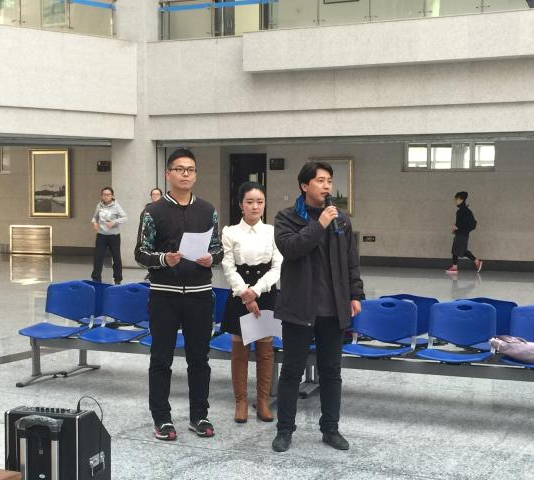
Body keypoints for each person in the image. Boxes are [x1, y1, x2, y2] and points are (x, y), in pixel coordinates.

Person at [271, 161, 365, 453]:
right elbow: (291, 249)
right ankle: (285, 430)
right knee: (291, 371)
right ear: (304, 185)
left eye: (329, 181)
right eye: (320, 180)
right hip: (299, 307)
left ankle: (330, 429)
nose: (326, 186)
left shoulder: (341, 220)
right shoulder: (286, 217)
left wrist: (355, 294)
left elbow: (351, 261)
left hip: (333, 308)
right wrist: (319, 224)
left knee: (331, 372)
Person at [134, 148, 223, 441]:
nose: (186, 174)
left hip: (199, 294)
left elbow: (218, 248)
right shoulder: (153, 211)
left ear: (195, 175)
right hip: (164, 295)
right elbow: (140, 252)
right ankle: (162, 418)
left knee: (199, 359)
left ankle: (199, 415)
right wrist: (164, 259)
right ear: (168, 174)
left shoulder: (207, 210)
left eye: (190, 169)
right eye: (180, 169)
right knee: (161, 358)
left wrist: (212, 258)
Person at [221, 182, 282, 424]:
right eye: (250, 202)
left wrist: (255, 292)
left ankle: (263, 401)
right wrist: (245, 294)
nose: (255, 206)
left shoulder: (272, 231)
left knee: (265, 351)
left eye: (260, 202)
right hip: (239, 293)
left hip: (265, 292)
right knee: (240, 351)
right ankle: (241, 401)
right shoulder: (230, 232)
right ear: (241, 205)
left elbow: (277, 267)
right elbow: (228, 266)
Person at [91, 187, 127, 284]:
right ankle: (96, 278)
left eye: (108, 195)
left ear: (112, 196)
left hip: (114, 236)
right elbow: (95, 217)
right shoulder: (99, 205)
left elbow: (125, 217)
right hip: (101, 235)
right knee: (98, 257)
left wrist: (113, 222)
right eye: (104, 194)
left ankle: (118, 279)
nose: (106, 196)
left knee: (116, 258)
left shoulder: (116, 206)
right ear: (101, 196)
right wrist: (95, 223)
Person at [446, 191, 483, 274]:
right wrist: (455, 229)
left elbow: (462, 224)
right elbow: (461, 223)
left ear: (462, 200)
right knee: (458, 250)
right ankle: (456, 266)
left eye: (457, 199)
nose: (455, 201)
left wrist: (456, 228)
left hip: (462, 234)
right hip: (462, 233)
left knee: (458, 250)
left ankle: (456, 267)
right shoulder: (463, 210)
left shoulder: (463, 211)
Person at [140, 188, 163, 282]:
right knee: (150, 254)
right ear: (151, 196)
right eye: (153, 194)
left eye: (157, 194)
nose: (155, 196)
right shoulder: (147, 209)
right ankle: (151, 272)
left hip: (161, 236)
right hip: (150, 237)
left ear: (161, 196)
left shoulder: (165, 208)